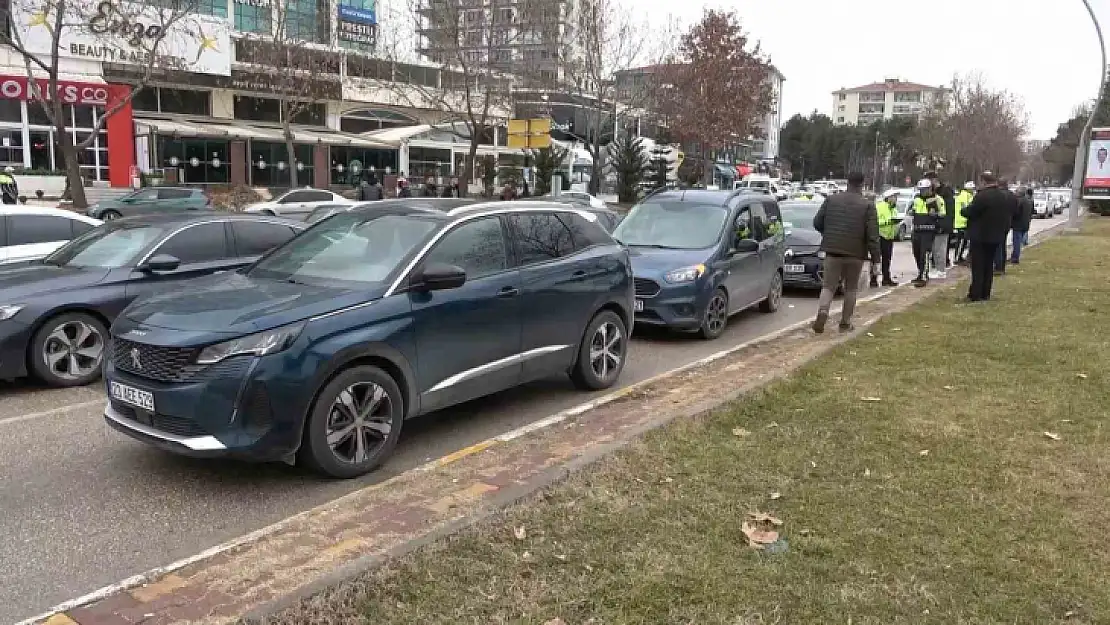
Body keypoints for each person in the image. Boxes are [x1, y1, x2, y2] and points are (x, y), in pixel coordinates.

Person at [811, 172, 880, 334]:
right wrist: (876, 260)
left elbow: (817, 222)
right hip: (855, 253)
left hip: (832, 251)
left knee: (828, 286)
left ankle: (822, 312)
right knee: (851, 288)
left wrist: (828, 234)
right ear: (862, 184)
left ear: (847, 182)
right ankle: (845, 323)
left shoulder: (831, 200)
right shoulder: (868, 205)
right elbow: (873, 236)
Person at [964, 171, 1017, 302]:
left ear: (983, 182)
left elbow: (971, 211)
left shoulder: (982, 196)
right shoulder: (1003, 196)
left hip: (980, 236)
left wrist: (964, 210)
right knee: (988, 265)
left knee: (978, 266)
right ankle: (985, 293)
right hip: (995, 236)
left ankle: (975, 293)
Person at [910, 178, 945, 287]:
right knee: (916, 252)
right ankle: (920, 273)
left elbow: (943, 213)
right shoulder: (917, 199)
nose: (922, 192)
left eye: (924, 190)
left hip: (928, 230)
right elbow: (914, 210)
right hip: (917, 229)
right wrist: (912, 212)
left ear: (930, 188)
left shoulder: (937, 199)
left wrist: (936, 215)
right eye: (921, 190)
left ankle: (924, 276)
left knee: (924, 253)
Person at [925, 172, 955, 277]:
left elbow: (948, 211)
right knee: (936, 249)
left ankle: (941, 270)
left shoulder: (945, 192)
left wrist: (943, 224)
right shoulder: (936, 192)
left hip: (942, 224)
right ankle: (938, 268)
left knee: (940, 249)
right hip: (936, 224)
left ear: (934, 180)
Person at [874, 188, 900, 287]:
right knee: (876, 259)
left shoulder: (893, 208)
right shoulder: (880, 207)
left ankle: (886, 278)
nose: (895, 199)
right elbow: (875, 222)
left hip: (889, 237)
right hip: (880, 236)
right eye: (893, 197)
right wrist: (888, 222)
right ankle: (873, 279)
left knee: (887, 259)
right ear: (888, 198)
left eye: (896, 197)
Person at [994, 179, 1017, 274]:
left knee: (998, 245)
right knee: (1003, 244)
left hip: (998, 222)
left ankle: (998, 267)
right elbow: (1015, 209)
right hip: (1007, 222)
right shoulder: (1012, 195)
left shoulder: (998, 195)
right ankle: (1002, 266)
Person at [952, 181, 975, 264]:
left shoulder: (962, 195)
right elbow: (967, 208)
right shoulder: (966, 197)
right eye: (972, 189)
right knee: (961, 242)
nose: (973, 190)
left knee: (963, 242)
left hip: (961, 221)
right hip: (963, 222)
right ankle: (957, 258)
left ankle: (959, 257)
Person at [1010, 187, 1034, 264]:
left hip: (1018, 225)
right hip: (1025, 224)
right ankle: (1015, 255)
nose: (1015, 193)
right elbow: (1031, 213)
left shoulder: (1019, 201)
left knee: (1016, 242)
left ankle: (1015, 258)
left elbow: (1016, 213)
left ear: (1020, 193)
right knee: (1019, 242)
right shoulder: (1029, 201)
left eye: (1016, 191)